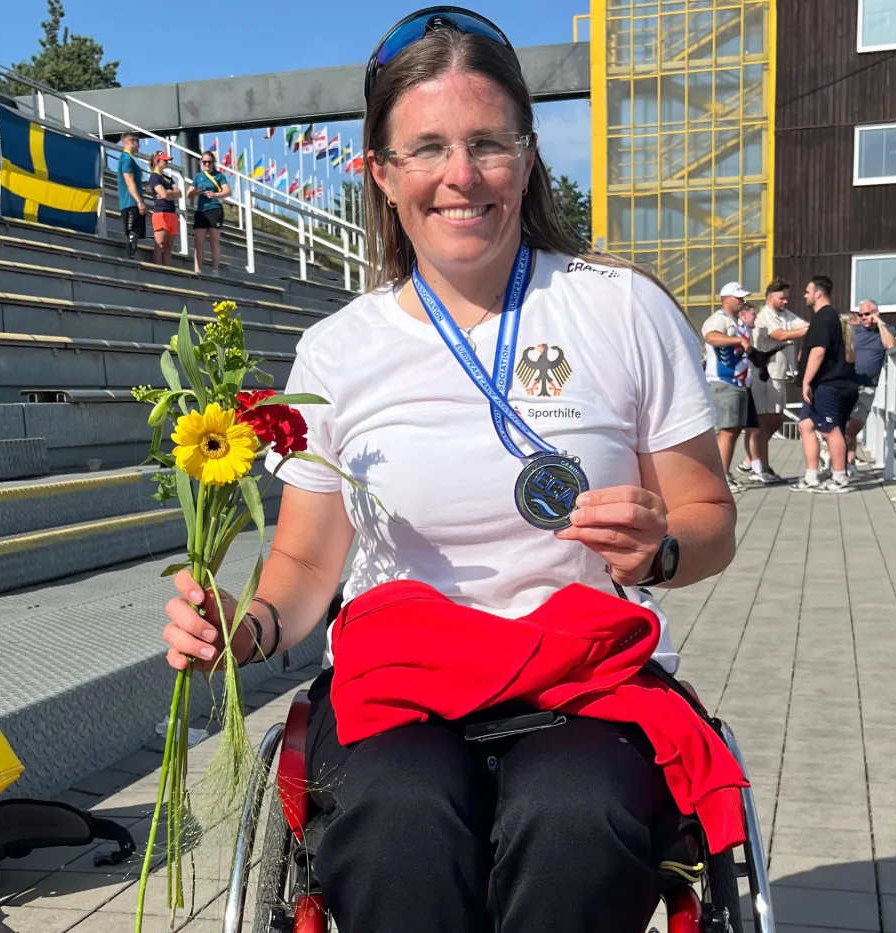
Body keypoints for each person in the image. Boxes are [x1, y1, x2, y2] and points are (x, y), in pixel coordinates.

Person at [160, 10, 740, 932]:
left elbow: (710, 513)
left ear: (528, 154)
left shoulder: (621, 309)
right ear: (383, 174)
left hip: (582, 676)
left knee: (577, 816)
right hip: (402, 678)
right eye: (426, 147)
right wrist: (249, 626)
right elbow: (309, 567)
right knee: (398, 819)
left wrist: (662, 548)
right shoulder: (338, 352)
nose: (460, 176)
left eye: (487, 144)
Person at [793, 275, 858, 493]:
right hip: (820, 384)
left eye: (807, 291)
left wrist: (806, 381)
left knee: (830, 430)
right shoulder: (824, 318)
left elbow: (818, 351)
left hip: (828, 383)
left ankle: (840, 477)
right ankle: (812, 476)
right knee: (805, 425)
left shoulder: (825, 317)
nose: (805, 295)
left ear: (818, 294)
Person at [739, 279, 807, 484]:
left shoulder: (786, 315)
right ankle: (762, 466)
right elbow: (779, 335)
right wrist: (809, 331)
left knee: (776, 420)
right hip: (764, 373)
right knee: (762, 421)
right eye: (782, 298)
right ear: (770, 298)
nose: (786, 301)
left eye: (787, 297)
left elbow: (802, 325)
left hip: (779, 374)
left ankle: (750, 460)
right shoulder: (764, 317)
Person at [701, 282, 752, 489]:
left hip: (737, 382)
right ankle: (720, 478)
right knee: (727, 430)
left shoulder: (736, 321)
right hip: (723, 382)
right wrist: (736, 340)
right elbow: (711, 337)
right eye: (737, 297)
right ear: (725, 299)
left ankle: (725, 473)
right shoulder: (718, 319)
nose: (742, 300)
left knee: (734, 429)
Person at [844, 299, 896, 473]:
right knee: (845, 425)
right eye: (861, 315)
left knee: (853, 427)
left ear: (876, 313)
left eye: (867, 314)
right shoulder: (854, 330)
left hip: (868, 387)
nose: (864, 318)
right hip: (848, 383)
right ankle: (849, 464)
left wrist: (879, 323)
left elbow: (890, 345)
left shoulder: (886, 330)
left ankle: (832, 455)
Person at [188, 151, 231, 275]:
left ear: (213, 163)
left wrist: (215, 194)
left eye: (209, 162)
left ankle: (215, 269)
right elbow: (188, 194)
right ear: (201, 162)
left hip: (214, 209)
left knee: (214, 240)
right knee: (198, 241)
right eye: (204, 162)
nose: (207, 164)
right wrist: (196, 192)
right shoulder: (198, 177)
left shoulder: (219, 176)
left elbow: (228, 191)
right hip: (201, 210)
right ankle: (197, 268)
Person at [147, 151, 182, 266]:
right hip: (161, 212)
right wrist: (171, 194)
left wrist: (169, 193)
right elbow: (164, 194)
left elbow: (179, 194)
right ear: (157, 160)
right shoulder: (154, 177)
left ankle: (167, 268)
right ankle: (159, 268)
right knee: (160, 244)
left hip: (171, 213)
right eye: (164, 160)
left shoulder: (168, 178)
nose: (167, 162)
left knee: (168, 247)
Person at [117, 133, 147, 260]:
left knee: (135, 232)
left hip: (132, 201)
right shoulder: (126, 159)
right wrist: (139, 201)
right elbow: (129, 181)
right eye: (137, 142)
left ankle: (132, 256)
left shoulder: (129, 159)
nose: (139, 145)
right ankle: (131, 258)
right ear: (130, 142)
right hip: (130, 202)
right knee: (132, 233)